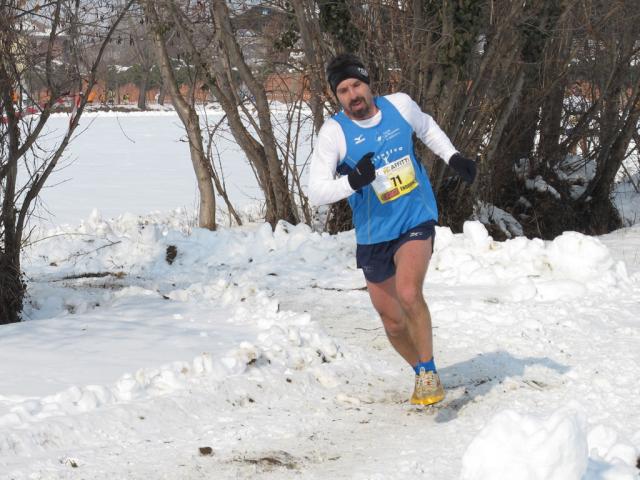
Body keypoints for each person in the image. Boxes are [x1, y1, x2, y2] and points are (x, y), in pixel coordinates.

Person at [308, 53, 476, 406]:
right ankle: (420, 372)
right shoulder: (334, 133)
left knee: (409, 292)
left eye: (356, 85)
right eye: (343, 90)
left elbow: (427, 127)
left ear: (369, 84)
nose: (352, 94)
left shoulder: (399, 105)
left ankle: (429, 370)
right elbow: (316, 191)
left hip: (415, 216)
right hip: (373, 232)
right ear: (336, 96)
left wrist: (454, 157)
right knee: (393, 321)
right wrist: (353, 181)